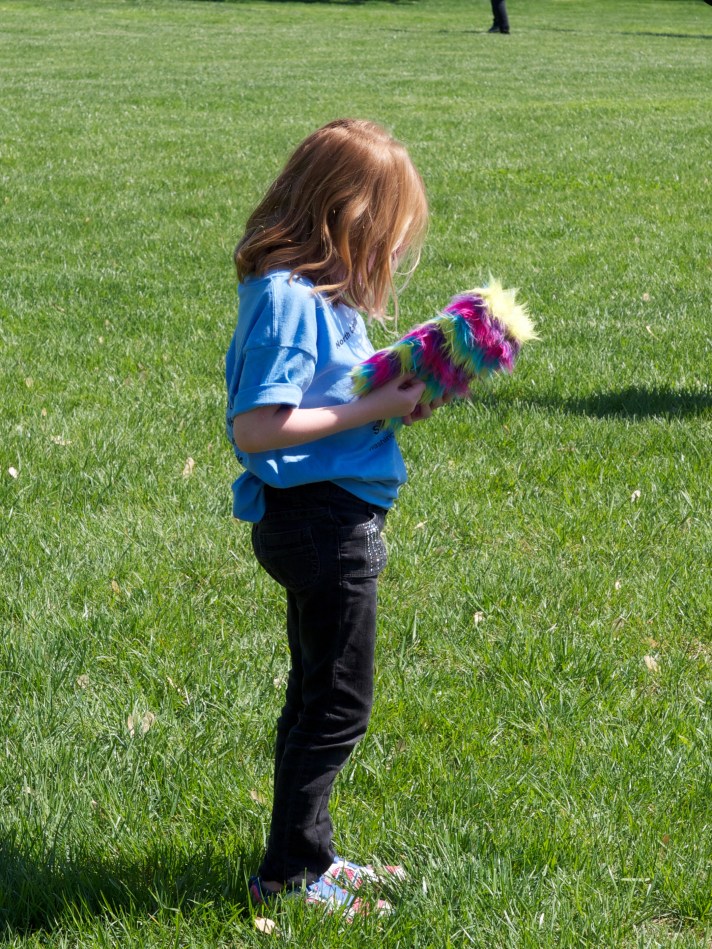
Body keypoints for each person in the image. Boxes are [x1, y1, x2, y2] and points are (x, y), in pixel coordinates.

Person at [225, 119, 446, 917]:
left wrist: (386, 400)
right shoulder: (288, 299)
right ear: (346, 221)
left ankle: (304, 853)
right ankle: (290, 875)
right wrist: (374, 409)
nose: (389, 256)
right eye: (386, 236)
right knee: (338, 703)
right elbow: (258, 428)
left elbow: (323, 398)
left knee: (318, 694)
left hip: (327, 518)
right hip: (321, 525)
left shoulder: (313, 296)